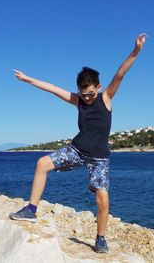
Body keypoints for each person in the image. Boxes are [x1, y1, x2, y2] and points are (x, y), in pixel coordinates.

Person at [9, 33, 147, 253]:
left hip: (99, 157)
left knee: (102, 198)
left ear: (99, 88)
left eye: (91, 94)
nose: (87, 98)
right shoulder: (78, 100)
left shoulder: (106, 97)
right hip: (77, 150)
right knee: (42, 163)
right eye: (84, 95)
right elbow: (53, 88)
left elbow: (121, 73)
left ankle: (100, 239)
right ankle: (31, 210)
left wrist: (136, 50)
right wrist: (28, 79)